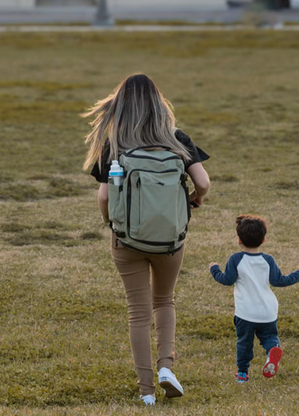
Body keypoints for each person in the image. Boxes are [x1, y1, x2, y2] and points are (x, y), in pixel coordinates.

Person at [82, 74, 210, 405]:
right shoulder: (177, 139)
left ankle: (146, 392)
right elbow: (205, 183)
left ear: (121, 106)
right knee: (164, 301)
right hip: (170, 239)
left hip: (127, 240)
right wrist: (195, 198)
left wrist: (110, 224)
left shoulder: (116, 145)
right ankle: (167, 366)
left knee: (138, 312)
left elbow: (103, 197)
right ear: (158, 103)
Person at [209, 214, 299, 383]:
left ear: (239, 240)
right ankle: (273, 349)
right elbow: (278, 281)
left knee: (244, 342)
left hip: (246, 313)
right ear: (264, 239)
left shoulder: (236, 259)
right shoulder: (268, 260)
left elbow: (227, 280)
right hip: (268, 311)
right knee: (269, 336)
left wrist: (214, 269)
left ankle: (242, 373)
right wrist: (296, 275)